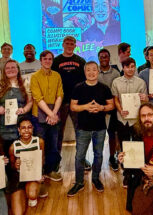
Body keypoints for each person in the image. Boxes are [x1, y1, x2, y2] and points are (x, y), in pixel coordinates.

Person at [67, 61, 114, 196]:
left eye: (94, 70)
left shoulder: (104, 88)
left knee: (98, 155)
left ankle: (96, 179)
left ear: (98, 71)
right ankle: (79, 182)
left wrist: (101, 108)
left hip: (100, 128)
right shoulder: (78, 87)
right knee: (79, 156)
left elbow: (111, 105)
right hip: (82, 128)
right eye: (88, 70)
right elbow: (73, 106)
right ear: (85, 72)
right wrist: (86, 107)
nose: (91, 72)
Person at [51, 36, 92, 170]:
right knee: (58, 133)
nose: (69, 45)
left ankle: (82, 158)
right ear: (62, 44)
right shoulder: (56, 61)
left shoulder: (80, 61)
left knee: (80, 132)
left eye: (72, 44)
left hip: (77, 102)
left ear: (75, 45)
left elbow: (85, 82)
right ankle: (56, 160)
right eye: (67, 43)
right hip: (60, 102)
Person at [111, 57, 148, 187]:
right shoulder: (116, 82)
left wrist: (145, 98)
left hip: (137, 121)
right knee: (124, 146)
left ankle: (138, 174)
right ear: (123, 68)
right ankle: (126, 174)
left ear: (135, 67)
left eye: (133, 66)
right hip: (122, 120)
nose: (130, 69)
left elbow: (145, 101)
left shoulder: (141, 82)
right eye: (127, 67)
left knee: (138, 146)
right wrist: (120, 110)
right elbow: (115, 99)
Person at [31, 50, 63, 182]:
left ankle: (50, 170)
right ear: (41, 60)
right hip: (39, 113)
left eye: (50, 59)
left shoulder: (57, 75)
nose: (48, 61)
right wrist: (50, 114)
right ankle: (39, 172)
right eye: (45, 59)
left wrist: (54, 113)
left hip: (54, 111)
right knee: (41, 144)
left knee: (53, 144)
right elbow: (38, 98)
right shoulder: (35, 77)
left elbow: (60, 95)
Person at [8, 116, 44, 214]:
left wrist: (39, 175)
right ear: (19, 130)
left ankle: (31, 192)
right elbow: (12, 166)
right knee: (18, 213)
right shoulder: (13, 147)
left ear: (33, 128)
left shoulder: (39, 142)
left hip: (33, 177)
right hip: (19, 178)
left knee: (32, 195)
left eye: (29, 127)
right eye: (23, 128)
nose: (26, 130)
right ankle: (22, 192)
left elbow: (41, 161)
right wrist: (15, 165)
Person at [0, 59, 32, 157]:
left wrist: (24, 109)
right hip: (3, 127)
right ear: (4, 71)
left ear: (18, 69)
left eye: (13, 67)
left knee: (21, 155)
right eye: (8, 68)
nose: (10, 70)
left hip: (20, 126)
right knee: (6, 155)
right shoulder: (0, 85)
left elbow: (30, 102)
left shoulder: (25, 83)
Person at [98, 48, 120, 171]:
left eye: (105, 56)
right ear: (98, 58)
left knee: (112, 134)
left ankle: (112, 157)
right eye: (101, 57)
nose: (104, 59)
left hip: (112, 109)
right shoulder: (95, 72)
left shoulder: (116, 73)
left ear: (109, 58)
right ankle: (98, 158)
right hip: (98, 109)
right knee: (99, 135)